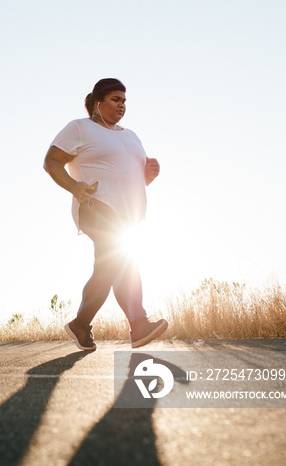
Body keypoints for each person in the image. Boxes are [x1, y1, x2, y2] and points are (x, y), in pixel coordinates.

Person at [43, 78, 168, 350]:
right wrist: (74, 186)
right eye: (115, 99)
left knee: (116, 265)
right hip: (95, 206)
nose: (121, 105)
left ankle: (82, 324)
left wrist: (148, 175)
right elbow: (51, 161)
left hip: (128, 216)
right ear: (97, 102)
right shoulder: (80, 128)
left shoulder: (131, 135)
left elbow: (126, 179)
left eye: (124, 101)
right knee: (118, 262)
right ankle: (138, 325)